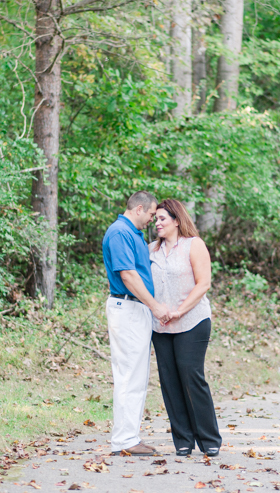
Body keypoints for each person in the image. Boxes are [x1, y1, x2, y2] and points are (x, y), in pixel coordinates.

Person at [149, 198, 222, 457]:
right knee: (169, 381)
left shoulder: (194, 245)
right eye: (155, 219)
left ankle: (209, 438)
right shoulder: (151, 251)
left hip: (192, 321)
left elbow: (203, 283)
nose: (156, 223)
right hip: (161, 326)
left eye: (162, 219)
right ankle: (182, 439)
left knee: (191, 377)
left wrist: (179, 311)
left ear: (176, 221)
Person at [102, 191, 170, 456]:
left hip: (135, 308)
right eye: (152, 214)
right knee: (130, 375)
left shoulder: (132, 234)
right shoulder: (120, 232)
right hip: (128, 306)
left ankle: (128, 437)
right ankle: (125, 440)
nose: (153, 220)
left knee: (136, 376)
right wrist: (155, 306)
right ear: (139, 208)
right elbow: (128, 275)